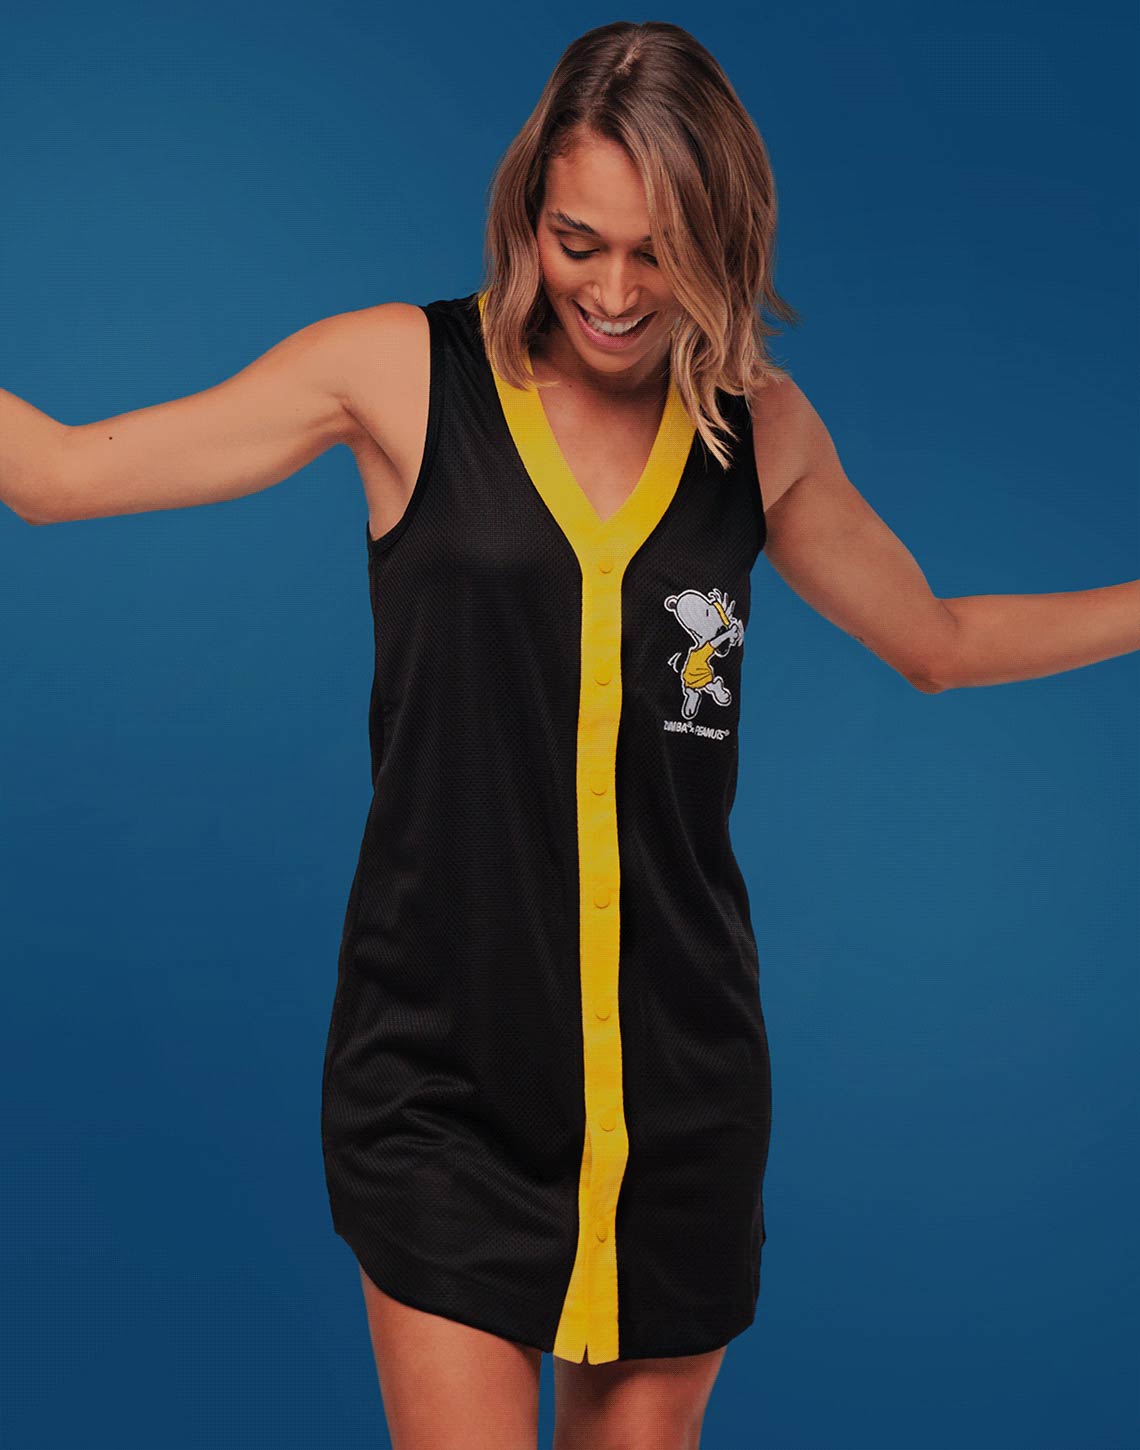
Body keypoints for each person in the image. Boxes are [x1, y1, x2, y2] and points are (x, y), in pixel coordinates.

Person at [2, 19, 1137, 1450]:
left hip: (679, 1094)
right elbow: (54, 474)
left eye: (657, 253)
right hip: (442, 1083)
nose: (609, 291)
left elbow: (939, 643)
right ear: (527, 212)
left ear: (722, 239)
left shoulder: (759, 434)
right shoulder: (398, 375)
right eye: (575, 241)